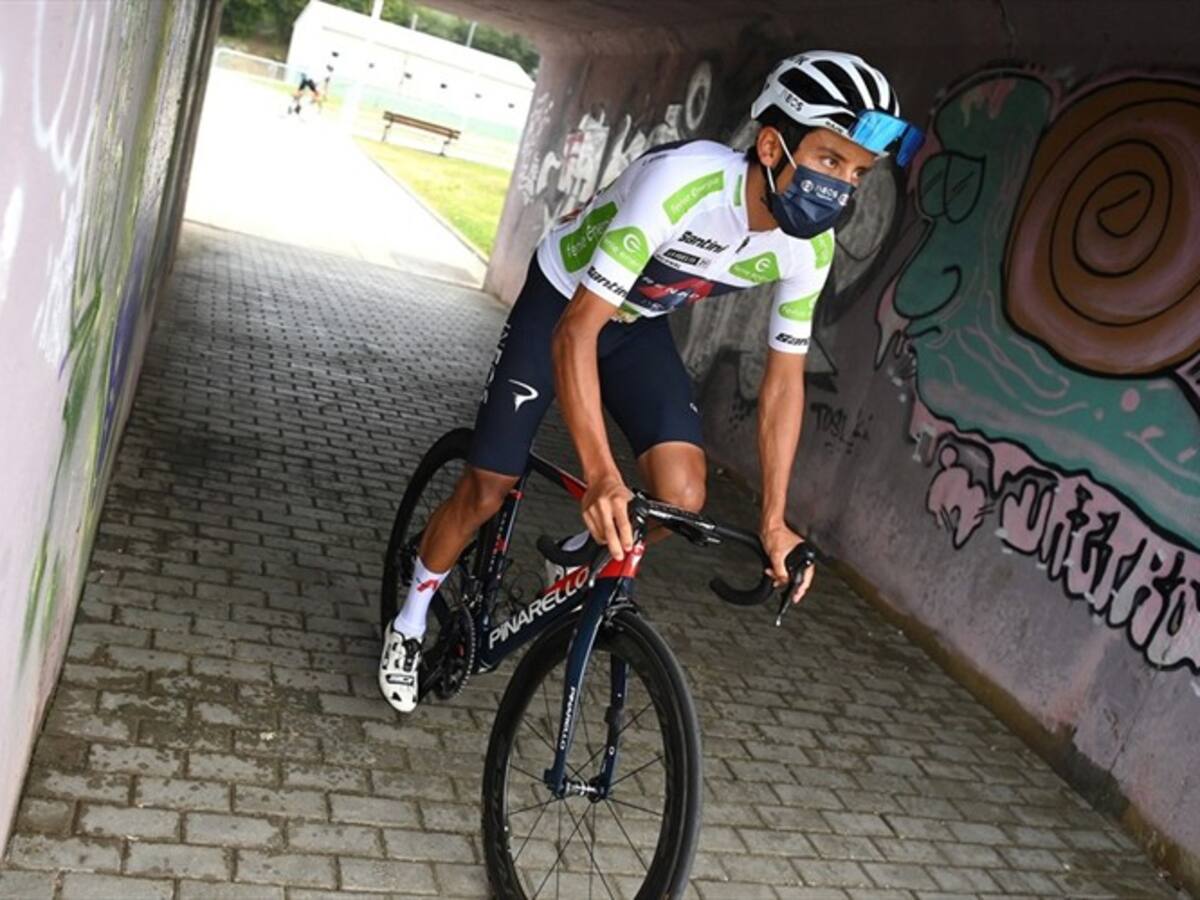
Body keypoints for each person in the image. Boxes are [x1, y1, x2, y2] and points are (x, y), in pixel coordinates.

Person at [379, 51, 924, 712]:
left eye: (858, 173)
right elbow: (576, 332)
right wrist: (602, 474)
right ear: (773, 146)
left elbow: (784, 384)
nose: (844, 187)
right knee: (489, 486)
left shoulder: (809, 245)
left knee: (680, 497)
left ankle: (575, 557)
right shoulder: (681, 183)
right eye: (830, 161)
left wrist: (775, 520)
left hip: (636, 323)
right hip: (564, 301)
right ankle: (409, 620)